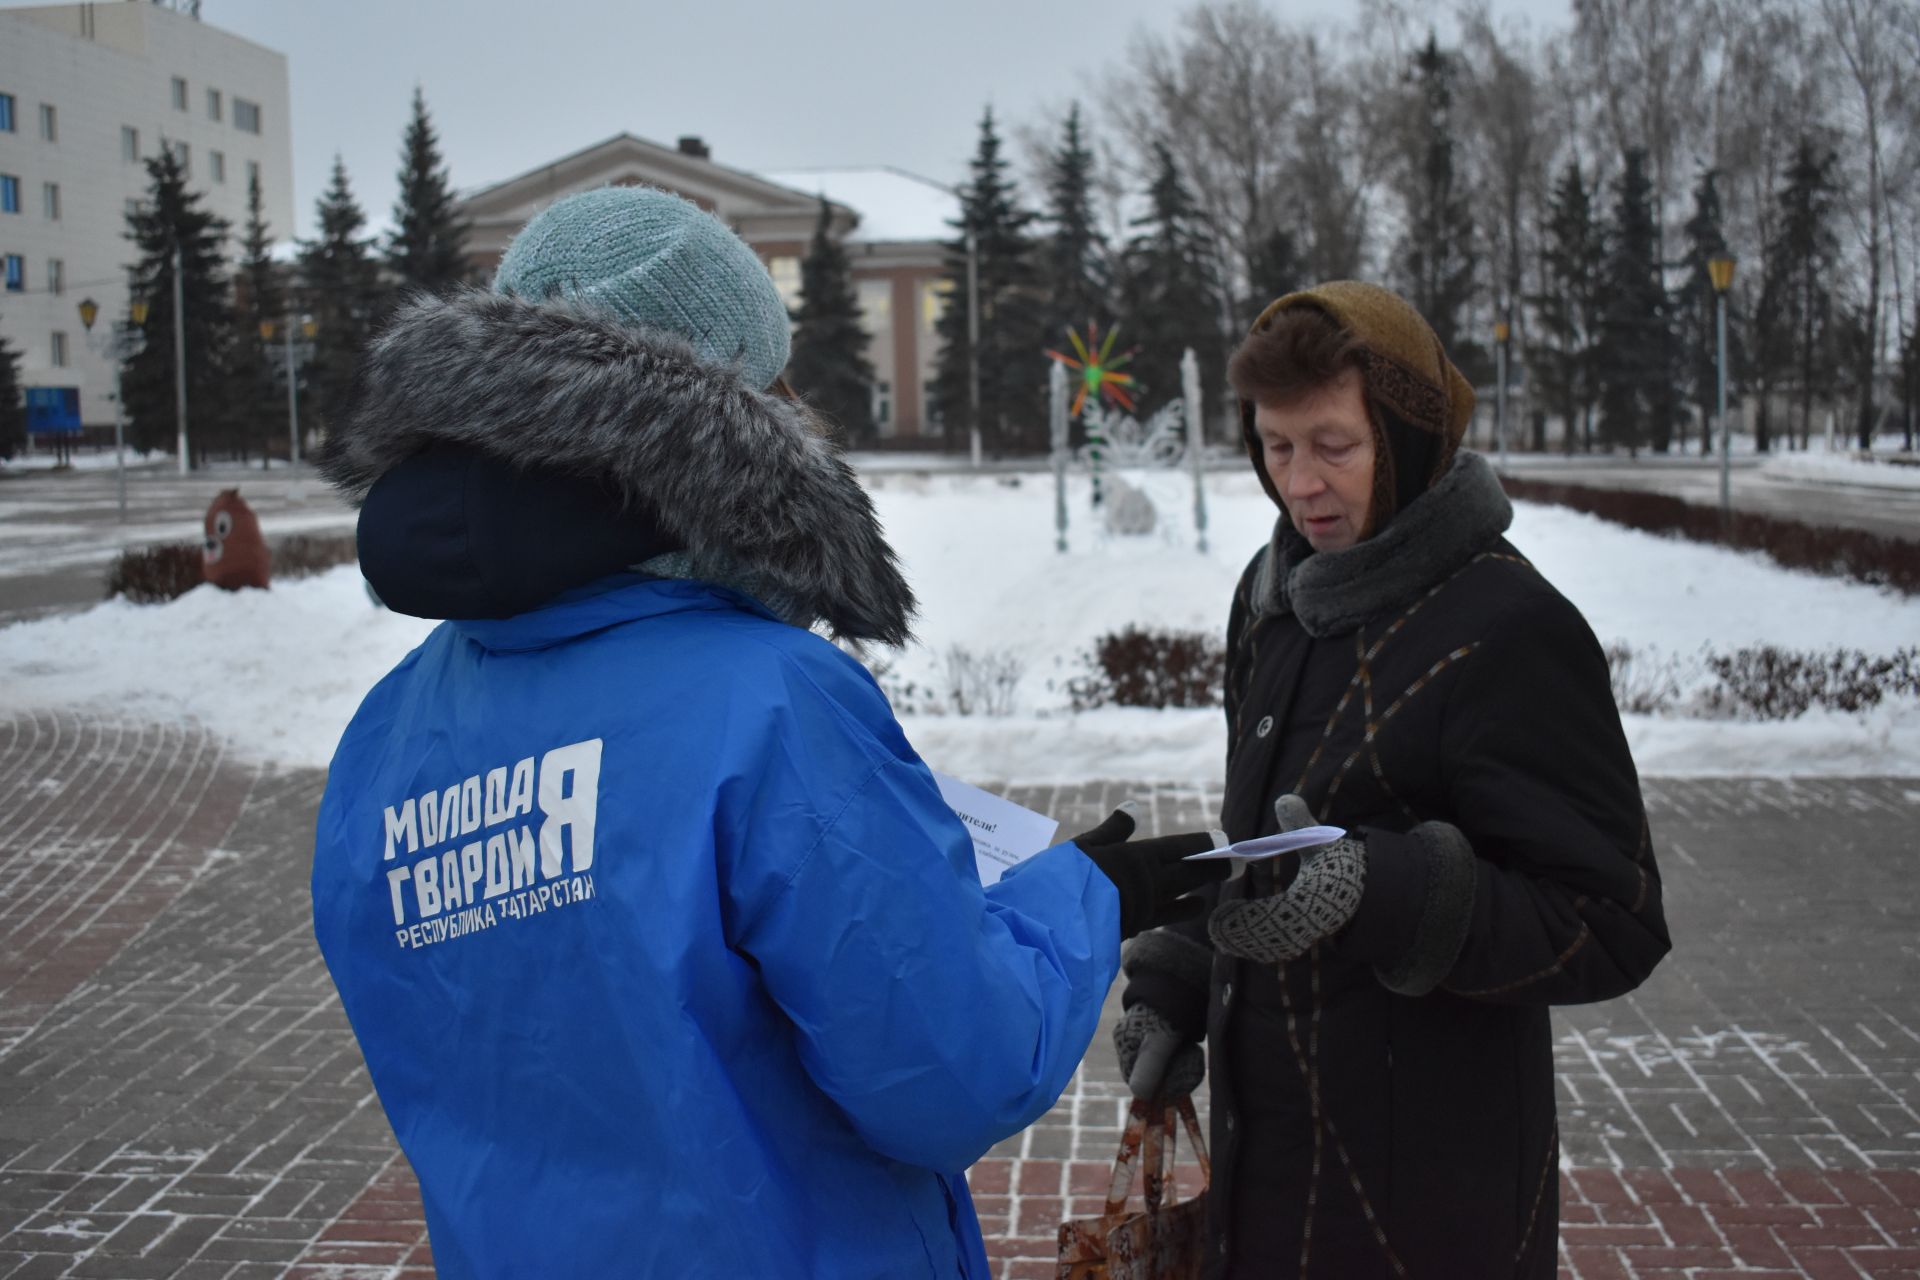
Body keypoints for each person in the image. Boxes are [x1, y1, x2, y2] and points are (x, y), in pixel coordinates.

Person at [309, 185, 1225, 1279]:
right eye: (776, 379)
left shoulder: (387, 732)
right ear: (710, 410)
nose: (804, 411)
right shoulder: (770, 702)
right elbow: (952, 1070)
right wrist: (1084, 897)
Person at [1112, 281, 1672, 1278]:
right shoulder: (1275, 592)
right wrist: (1183, 975)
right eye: (1277, 446)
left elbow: (1612, 920)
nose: (1301, 482)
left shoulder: (1509, 625)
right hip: (1267, 1168)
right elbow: (1280, 844)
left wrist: (1395, 888)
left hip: (1427, 1202)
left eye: (1334, 444)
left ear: (1408, 441)